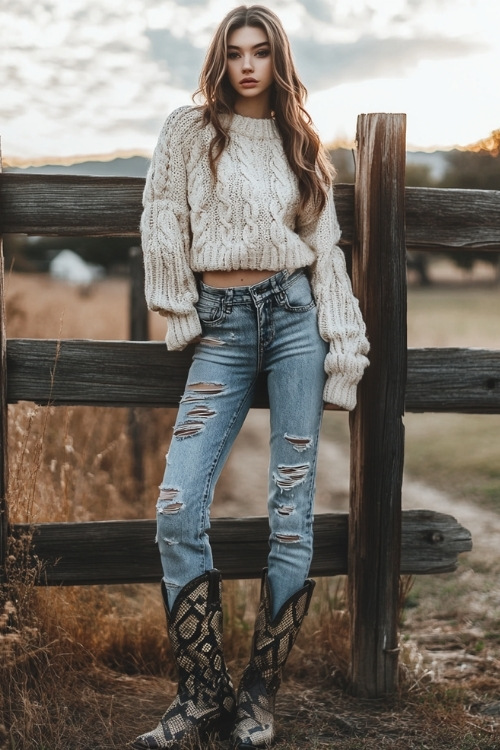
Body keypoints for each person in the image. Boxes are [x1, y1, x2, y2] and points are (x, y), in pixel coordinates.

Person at [132, 5, 369, 749]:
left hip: (295, 320)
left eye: (260, 52)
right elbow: (161, 213)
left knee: (291, 511)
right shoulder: (189, 129)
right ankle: (202, 693)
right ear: (220, 58)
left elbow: (324, 251)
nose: (246, 64)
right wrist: (178, 310)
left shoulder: (302, 140)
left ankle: (259, 697)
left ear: (278, 60)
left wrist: (345, 349)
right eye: (234, 51)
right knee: (176, 505)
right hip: (223, 328)